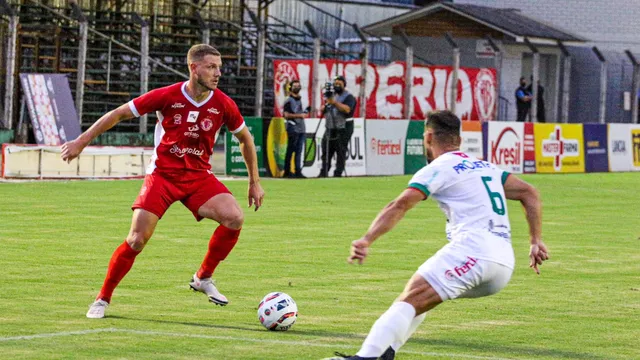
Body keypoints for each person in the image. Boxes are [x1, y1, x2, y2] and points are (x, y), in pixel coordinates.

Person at [60, 44, 265, 319]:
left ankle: (203, 277)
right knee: (136, 240)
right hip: (162, 176)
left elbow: (245, 140)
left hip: (198, 177)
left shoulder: (223, 103)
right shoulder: (168, 96)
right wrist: (80, 142)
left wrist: (254, 182)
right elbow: (119, 113)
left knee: (234, 217)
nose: (218, 73)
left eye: (219, 67)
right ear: (194, 68)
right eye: (211, 67)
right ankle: (102, 299)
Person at [325, 110, 549, 360]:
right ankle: (386, 351)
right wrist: (535, 240)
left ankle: (365, 357)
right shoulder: (485, 167)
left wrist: (367, 239)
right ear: (459, 140)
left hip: (474, 251)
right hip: (503, 263)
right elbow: (529, 193)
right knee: (421, 296)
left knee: (412, 298)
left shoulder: (441, 166)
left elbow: (399, 204)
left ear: (428, 136)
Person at [319, 75, 357, 178]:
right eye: (335, 83)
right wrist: (327, 103)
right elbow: (323, 109)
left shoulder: (349, 97)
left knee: (340, 150)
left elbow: (347, 109)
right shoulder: (331, 95)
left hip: (344, 127)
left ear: (344, 84)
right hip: (330, 126)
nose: (337, 85)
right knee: (326, 148)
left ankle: (338, 172)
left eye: (339, 83)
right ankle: (324, 171)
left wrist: (335, 103)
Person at [283, 79, 307, 178]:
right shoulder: (289, 100)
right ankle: (287, 171)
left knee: (299, 151)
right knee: (291, 150)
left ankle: (297, 171)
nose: (297, 87)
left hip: (301, 128)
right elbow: (286, 115)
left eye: (298, 85)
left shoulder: (301, 99)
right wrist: (299, 116)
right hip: (293, 127)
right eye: (295, 86)